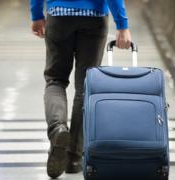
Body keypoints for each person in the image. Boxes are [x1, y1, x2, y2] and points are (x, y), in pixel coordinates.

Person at [29, 0, 131, 178]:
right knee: (85, 87)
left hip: (59, 16)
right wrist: (122, 25)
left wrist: (37, 15)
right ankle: (73, 158)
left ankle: (57, 128)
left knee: (55, 80)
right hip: (94, 18)